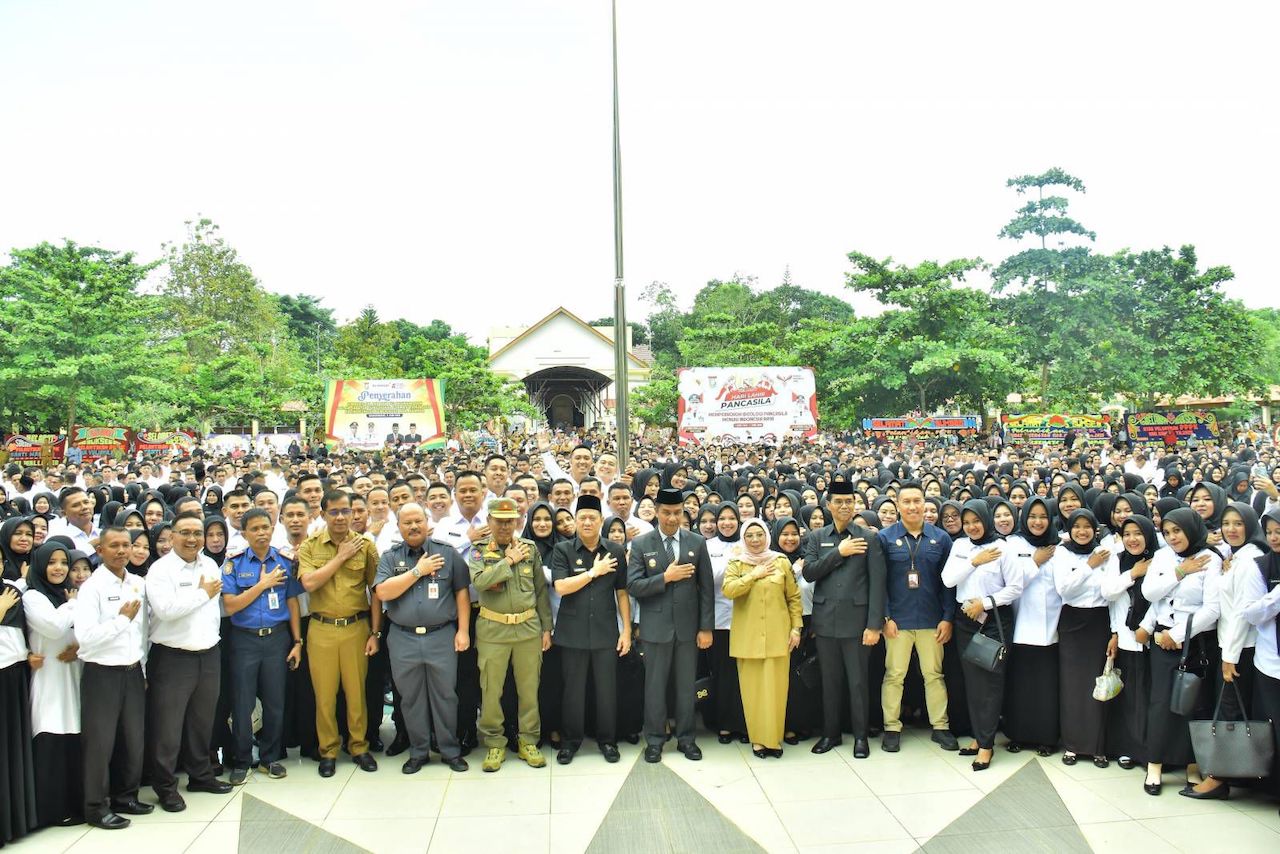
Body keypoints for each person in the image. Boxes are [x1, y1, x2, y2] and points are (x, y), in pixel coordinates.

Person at [144, 513, 234, 812]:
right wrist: (201, 593)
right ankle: (166, 786)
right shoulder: (160, 570)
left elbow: (213, 608)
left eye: (198, 532)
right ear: (172, 535)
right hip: (173, 657)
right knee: (168, 727)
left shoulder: (209, 564)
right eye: (185, 532)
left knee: (201, 721)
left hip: (208, 654)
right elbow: (166, 610)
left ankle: (200, 775)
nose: (193, 538)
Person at [373, 502, 471, 774]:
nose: (413, 526)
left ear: (427, 522)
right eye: (407, 522)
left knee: (445, 696)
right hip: (403, 639)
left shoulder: (447, 553)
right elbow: (383, 592)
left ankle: (450, 750)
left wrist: (463, 630)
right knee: (410, 698)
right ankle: (418, 752)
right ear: (399, 526)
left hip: (441, 636)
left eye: (418, 521)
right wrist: (418, 571)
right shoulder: (391, 557)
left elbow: (462, 592)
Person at [1136, 507, 1221, 796]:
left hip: (1196, 642)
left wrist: (1178, 635)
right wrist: (1180, 572)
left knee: (1194, 703)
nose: (1173, 537)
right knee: (1160, 703)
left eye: (1178, 530)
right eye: (1168, 531)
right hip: (1161, 641)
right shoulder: (1162, 557)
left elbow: (1212, 609)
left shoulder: (1211, 559)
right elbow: (1150, 593)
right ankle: (1155, 763)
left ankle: (1192, 763)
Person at [298, 491, 382, 778]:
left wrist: (375, 632)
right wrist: (341, 556)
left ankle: (359, 746)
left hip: (357, 628)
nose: (341, 517)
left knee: (357, 692)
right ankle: (329, 750)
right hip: (321, 628)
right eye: (334, 512)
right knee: (324, 695)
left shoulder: (367, 546)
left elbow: (377, 591)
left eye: (346, 511)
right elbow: (309, 583)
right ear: (322, 514)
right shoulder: (310, 547)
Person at [627, 488, 714, 764]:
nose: (672, 518)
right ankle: (654, 739)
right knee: (654, 687)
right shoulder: (642, 544)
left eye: (677, 512)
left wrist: (705, 628)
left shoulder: (696, 542)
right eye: (666, 512)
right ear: (657, 512)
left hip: (688, 629)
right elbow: (634, 586)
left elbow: (706, 589)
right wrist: (666, 577)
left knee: (686, 687)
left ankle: (686, 738)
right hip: (655, 629)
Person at [219, 508, 304, 784]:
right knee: (242, 703)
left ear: (272, 529)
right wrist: (262, 584)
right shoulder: (234, 564)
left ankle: (270, 758)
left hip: (277, 638)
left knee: (275, 701)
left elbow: (292, 602)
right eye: (254, 529)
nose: (261, 533)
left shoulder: (284, 560)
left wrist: (297, 641)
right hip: (244, 639)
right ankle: (242, 760)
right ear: (244, 533)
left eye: (265, 528)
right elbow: (231, 606)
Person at [468, 497, 552, 772]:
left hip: (528, 629)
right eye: (499, 521)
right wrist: (508, 560)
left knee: (529, 689)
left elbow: (540, 591)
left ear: (518, 522)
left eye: (510, 521)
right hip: (493, 630)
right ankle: (494, 742)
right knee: (492, 689)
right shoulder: (479, 550)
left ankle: (528, 739)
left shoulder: (530, 548)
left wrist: (546, 628)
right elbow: (480, 582)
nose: (505, 526)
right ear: (489, 521)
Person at [74, 526, 150, 830]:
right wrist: (121, 620)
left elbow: (142, 632)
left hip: (132, 671)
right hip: (102, 674)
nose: (121, 551)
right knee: (100, 744)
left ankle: (126, 796)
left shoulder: (137, 583)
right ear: (100, 551)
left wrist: (142, 667)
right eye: (114, 545)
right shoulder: (92, 588)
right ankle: (96, 807)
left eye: (126, 545)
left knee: (133, 740)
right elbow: (87, 639)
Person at [941, 500, 1025, 771]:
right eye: (966, 523)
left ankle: (986, 745)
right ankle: (980, 736)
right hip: (965, 621)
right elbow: (948, 580)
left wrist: (986, 602)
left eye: (976, 521)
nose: (971, 527)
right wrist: (974, 562)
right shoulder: (960, 547)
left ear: (986, 520)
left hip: (993, 621)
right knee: (972, 683)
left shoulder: (1002, 548)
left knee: (989, 683)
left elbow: (1015, 588)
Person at [549, 494, 631, 764]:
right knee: (572, 690)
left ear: (601, 521)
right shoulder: (563, 550)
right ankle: (571, 741)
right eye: (581, 517)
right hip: (572, 632)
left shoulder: (615, 551)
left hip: (606, 630)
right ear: (574, 520)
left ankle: (607, 740)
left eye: (592, 518)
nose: (586, 522)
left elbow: (622, 594)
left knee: (607, 690)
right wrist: (593, 572)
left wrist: (627, 630)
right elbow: (561, 587)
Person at [876, 482, 957, 754]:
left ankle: (940, 726)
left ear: (925, 504)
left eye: (917, 501)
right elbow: (880, 582)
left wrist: (947, 617)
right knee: (894, 674)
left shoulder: (941, 538)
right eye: (906, 501)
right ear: (898, 505)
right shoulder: (885, 538)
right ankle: (891, 727)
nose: (912, 506)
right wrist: (885, 616)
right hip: (897, 621)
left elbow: (948, 583)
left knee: (934, 675)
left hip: (932, 620)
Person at [723, 518, 803, 758]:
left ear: (767, 536)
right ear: (743, 539)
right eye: (749, 536)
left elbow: (793, 597)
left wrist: (796, 628)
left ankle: (774, 739)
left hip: (779, 637)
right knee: (752, 691)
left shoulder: (780, 561)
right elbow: (729, 590)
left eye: (759, 535)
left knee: (777, 690)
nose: (755, 540)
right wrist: (753, 575)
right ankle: (758, 740)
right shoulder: (736, 563)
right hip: (747, 638)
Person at [22, 542, 83, 828]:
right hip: (47, 677)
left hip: (73, 675)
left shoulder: (66, 595)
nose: (59, 568)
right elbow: (53, 626)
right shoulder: (33, 596)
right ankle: (51, 810)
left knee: (72, 738)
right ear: (40, 565)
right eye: (52, 562)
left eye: (63, 562)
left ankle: (73, 804)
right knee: (50, 738)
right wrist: (73, 604)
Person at [1051, 509, 1115, 768]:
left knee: (1098, 684)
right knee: (1072, 685)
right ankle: (1073, 745)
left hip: (1099, 621)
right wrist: (1089, 566)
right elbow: (1064, 588)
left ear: (1095, 529)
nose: (1081, 531)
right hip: (1072, 622)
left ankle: (1098, 747)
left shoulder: (1105, 553)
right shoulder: (1062, 553)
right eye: (1076, 526)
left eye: (1086, 526)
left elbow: (1110, 592)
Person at [1003, 496, 1063, 756]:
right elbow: (1011, 580)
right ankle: (1018, 734)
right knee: (1020, 686)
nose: (1037, 522)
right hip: (1020, 625)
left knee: (1046, 688)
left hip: (1052, 628)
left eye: (1043, 517)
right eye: (1032, 517)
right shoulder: (1012, 543)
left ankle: (1046, 737)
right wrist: (1035, 561)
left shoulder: (1059, 545)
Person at [0, 568, 37, 844]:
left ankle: (14, 821)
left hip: (11, 675)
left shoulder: (10, 590)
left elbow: (16, 636)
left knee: (11, 750)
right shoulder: (5, 599)